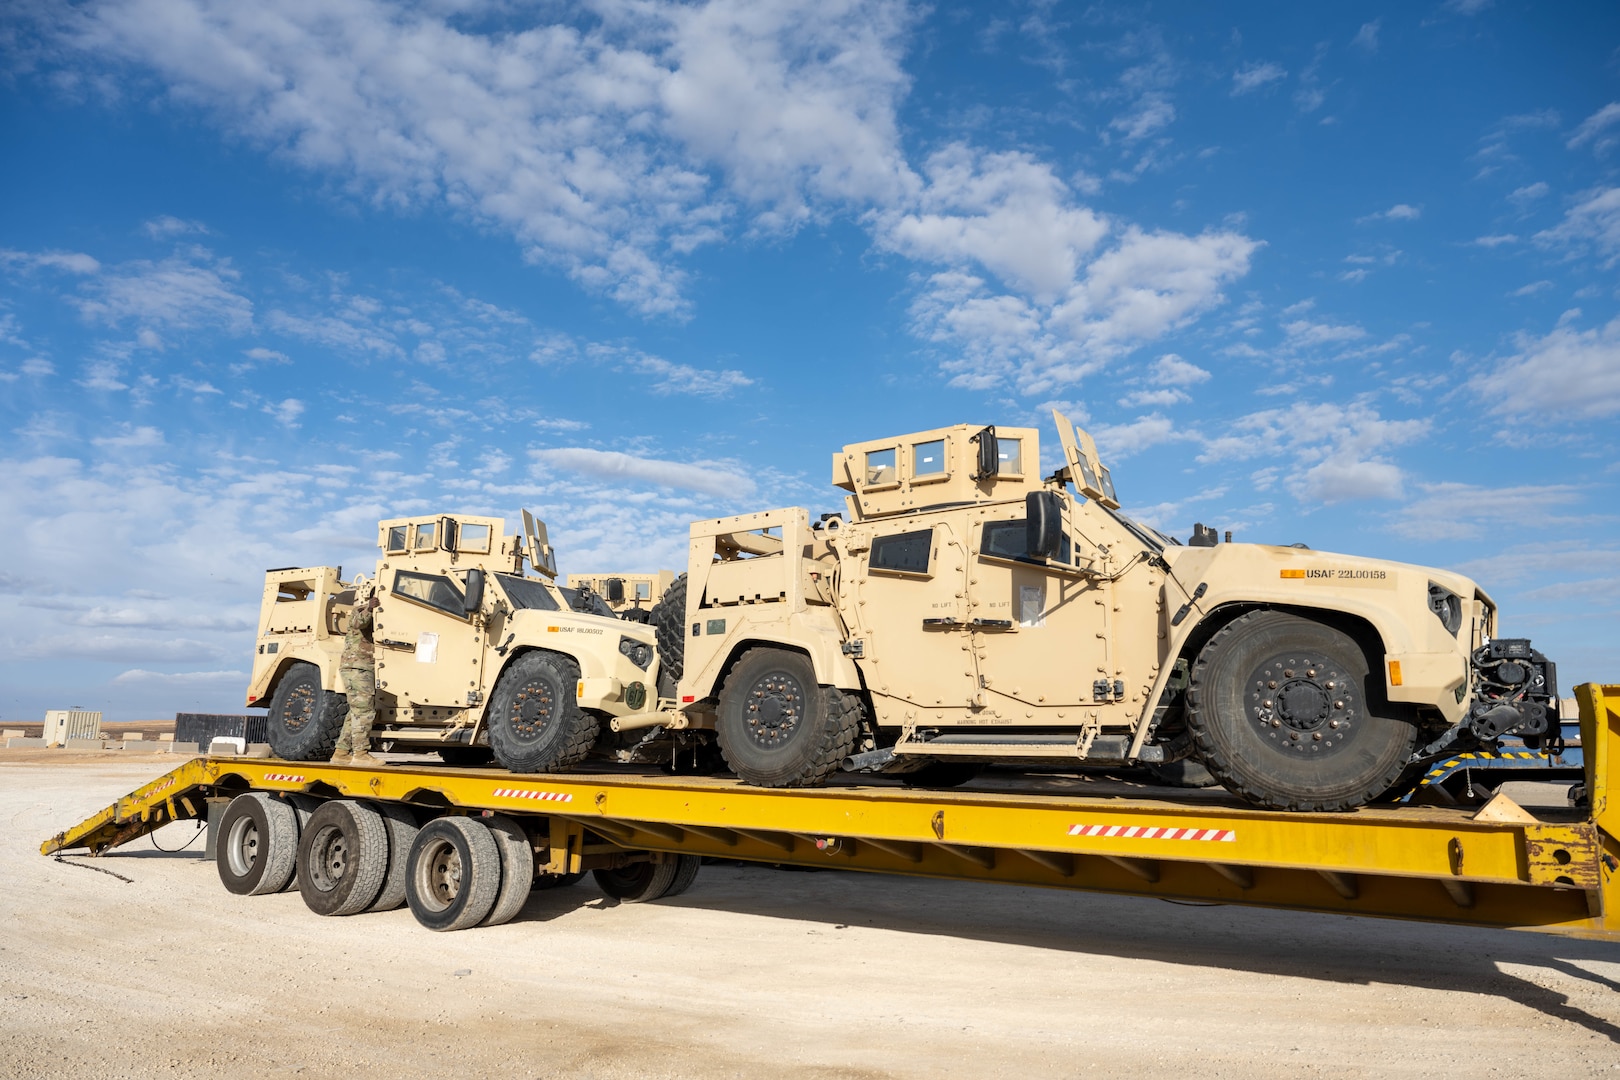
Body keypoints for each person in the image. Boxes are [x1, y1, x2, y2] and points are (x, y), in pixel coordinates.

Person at [334, 584, 380, 765]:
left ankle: (341, 753)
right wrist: (369, 607)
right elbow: (357, 622)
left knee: (355, 711)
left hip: (362, 667)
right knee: (364, 711)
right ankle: (361, 755)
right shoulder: (361, 610)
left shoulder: (380, 614)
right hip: (356, 666)